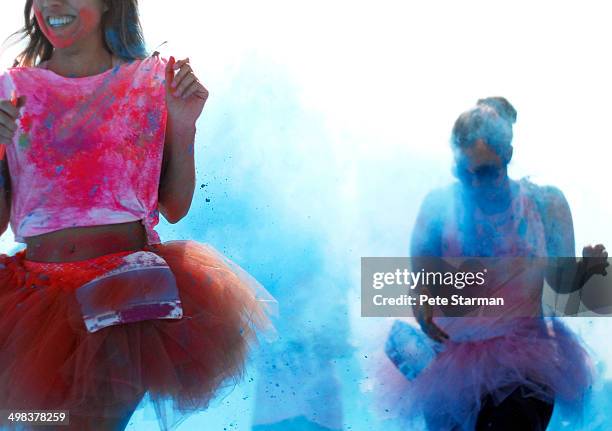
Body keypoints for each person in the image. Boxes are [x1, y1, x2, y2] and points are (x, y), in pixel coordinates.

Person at [0, 1, 273, 430]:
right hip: (31, 294)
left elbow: (174, 207)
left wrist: (184, 125)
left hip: (126, 288)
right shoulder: (10, 90)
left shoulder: (149, 79)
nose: (53, 5)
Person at [380, 97, 608, 430]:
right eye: (463, 173)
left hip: (525, 364)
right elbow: (421, 283)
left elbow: (559, 302)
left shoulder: (546, 205)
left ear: (508, 156)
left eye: (486, 173)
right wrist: (423, 301)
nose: (474, 184)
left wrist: (587, 274)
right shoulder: (438, 206)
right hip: (451, 366)